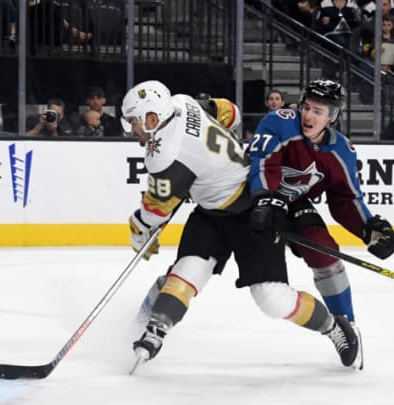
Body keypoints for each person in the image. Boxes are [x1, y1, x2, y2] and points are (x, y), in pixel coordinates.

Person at [122, 80, 361, 372]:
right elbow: (230, 113)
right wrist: (205, 165)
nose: (130, 129)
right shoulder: (183, 102)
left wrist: (139, 228)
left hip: (252, 210)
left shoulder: (165, 157)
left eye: (133, 122)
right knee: (188, 270)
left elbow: (155, 211)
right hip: (211, 211)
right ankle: (153, 325)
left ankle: (332, 327)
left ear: (152, 118)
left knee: (272, 299)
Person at [247, 79, 394, 369]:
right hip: (251, 199)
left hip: (292, 205)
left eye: (319, 111)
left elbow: (345, 199)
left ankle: (348, 328)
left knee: (324, 251)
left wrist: (369, 227)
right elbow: (263, 163)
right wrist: (267, 199)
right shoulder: (279, 123)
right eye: (306, 107)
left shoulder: (341, 151)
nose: (308, 116)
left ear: (333, 117)